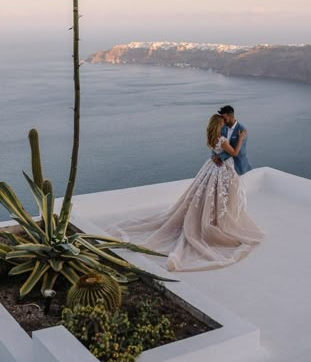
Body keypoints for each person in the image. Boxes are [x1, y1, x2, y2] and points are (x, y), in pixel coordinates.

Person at [107, 113, 264, 272]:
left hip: (211, 168)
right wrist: (242, 137)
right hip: (223, 170)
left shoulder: (211, 139)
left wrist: (217, 155)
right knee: (224, 196)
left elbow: (216, 153)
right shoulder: (222, 140)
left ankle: (214, 219)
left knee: (211, 196)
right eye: (223, 123)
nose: (225, 125)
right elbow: (235, 153)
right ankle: (219, 223)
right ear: (219, 125)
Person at [212, 105, 252, 175]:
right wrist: (213, 156)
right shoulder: (222, 127)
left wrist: (219, 156)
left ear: (231, 115)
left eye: (224, 118)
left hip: (238, 165)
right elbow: (217, 143)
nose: (223, 121)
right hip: (223, 165)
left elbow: (236, 151)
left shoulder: (242, 130)